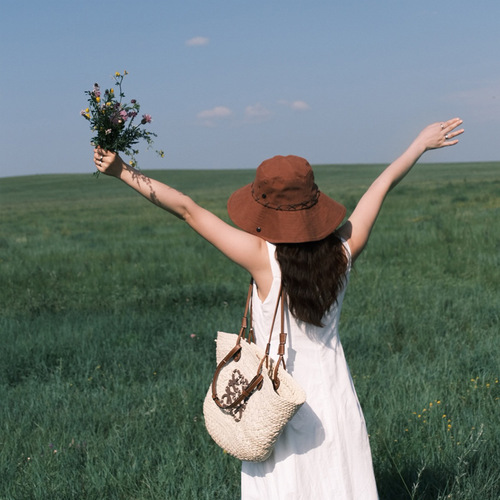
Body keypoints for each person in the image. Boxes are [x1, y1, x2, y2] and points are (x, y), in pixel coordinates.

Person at [93, 117, 464, 499]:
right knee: (338, 480)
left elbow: (187, 209)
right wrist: (419, 144)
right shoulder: (343, 251)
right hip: (335, 395)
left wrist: (122, 170)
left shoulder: (262, 259)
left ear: (265, 211)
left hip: (277, 397)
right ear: (314, 204)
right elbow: (381, 185)